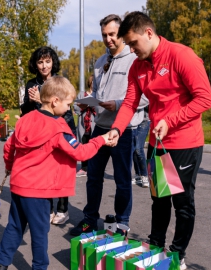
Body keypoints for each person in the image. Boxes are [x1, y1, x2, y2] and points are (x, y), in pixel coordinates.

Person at [109, 11, 211, 270]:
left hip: (185, 143)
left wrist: (172, 120)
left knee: (182, 202)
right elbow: (131, 102)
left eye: (133, 43)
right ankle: (155, 248)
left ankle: (178, 256)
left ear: (149, 33)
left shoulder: (181, 55)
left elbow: (205, 99)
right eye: (129, 45)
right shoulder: (138, 66)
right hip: (156, 144)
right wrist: (116, 129)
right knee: (159, 200)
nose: (132, 50)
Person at [0, 76, 111, 270]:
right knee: (40, 233)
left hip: (18, 185)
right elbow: (81, 152)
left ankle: (1, 264)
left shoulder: (24, 120)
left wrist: (9, 166)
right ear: (55, 101)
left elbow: (9, 146)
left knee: (14, 226)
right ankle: (39, 266)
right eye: (67, 104)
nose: (68, 109)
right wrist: (102, 140)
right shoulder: (58, 129)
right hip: (39, 191)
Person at [70, 14, 148, 236]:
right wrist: (87, 104)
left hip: (125, 130)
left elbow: (145, 98)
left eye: (112, 34)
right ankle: (89, 219)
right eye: (104, 35)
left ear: (121, 33)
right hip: (100, 128)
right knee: (93, 176)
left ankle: (122, 222)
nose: (108, 39)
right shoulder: (99, 62)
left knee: (123, 179)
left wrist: (117, 104)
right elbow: (97, 93)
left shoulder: (135, 59)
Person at [20, 46, 76, 225]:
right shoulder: (31, 84)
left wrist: (40, 100)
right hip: (41, 134)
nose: (44, 66)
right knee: (46, 172)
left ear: (53, 62)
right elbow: (26, 113)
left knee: (61, 170)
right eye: (40, 62)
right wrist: (30, 102)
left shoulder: (60, 82)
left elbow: (65, 112)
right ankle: (49, 208)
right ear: (35, 64)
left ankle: (63, 209)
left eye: (47, 61)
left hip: (61, 130)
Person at [73, 74, 96, 177]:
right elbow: (75, 107)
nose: (94, 85)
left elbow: (101, 110)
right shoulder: (82, 94)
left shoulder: (98, 95)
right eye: (92, 83)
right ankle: (84, 167)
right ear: (90, 83)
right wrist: (83, 106)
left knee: (93, 146)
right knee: (83, 145)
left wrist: (93, 105)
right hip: (84, 125)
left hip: (94, 125)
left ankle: (93, 168)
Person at [132, 103, 150, 188]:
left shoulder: (145, 91)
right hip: (132, 120)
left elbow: (148, 104)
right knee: (134, 148)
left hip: (144, 120)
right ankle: (138, 175)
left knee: (138, 148)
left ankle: (145, 175)